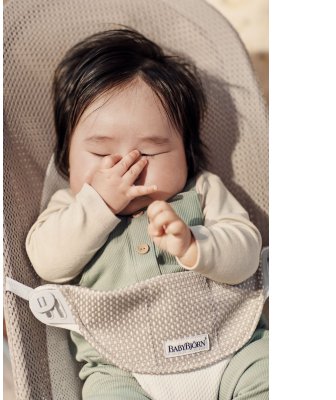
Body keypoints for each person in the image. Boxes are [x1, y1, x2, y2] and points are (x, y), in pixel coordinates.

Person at [26, 29, 268, 400]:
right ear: (66, 157)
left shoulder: (203, 190)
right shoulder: (69, 207)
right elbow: (48, 263)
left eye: (150, 153)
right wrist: (98, 203)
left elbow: (246, 255)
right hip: (122, 369)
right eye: (101, 154)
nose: (127, 168)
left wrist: (195, 243)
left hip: (232, 346)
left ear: (186, 153)